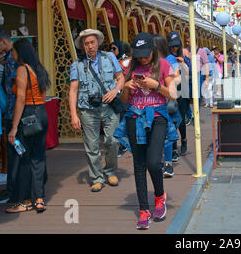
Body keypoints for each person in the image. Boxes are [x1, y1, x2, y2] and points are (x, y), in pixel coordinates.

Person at [113, 32, 177, 230]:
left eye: (146, 54)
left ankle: (159, 197)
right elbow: (124, 100)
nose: (143, 58)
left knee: (153, 162)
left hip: (157, 118)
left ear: (153, 50)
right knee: (139, 165)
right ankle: (143, 209)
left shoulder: (164, 65)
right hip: (134, 117)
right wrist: (127, 87)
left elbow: (173, 94)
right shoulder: (130, 66)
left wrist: (156, 85)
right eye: (139, 55)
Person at [69, 29, 125, 193]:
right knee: (91, 146)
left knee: (112, 141)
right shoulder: (77, 65)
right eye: (86, 44)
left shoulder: (109, 57)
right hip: (88, 110)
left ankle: (110, 170)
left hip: (109, 107)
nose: (90, 46)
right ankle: (97, 177)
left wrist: (115, 91)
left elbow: (120, 78)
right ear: (82, 46)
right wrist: (74, 114)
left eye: (92, 42)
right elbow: (73, 90)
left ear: (98, 43)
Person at [5, 39, 50, 214]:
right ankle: (39, 198)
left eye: (14, 52)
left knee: (23, 157)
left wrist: (14, 127)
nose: (13, 55)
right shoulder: (38, 68)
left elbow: (21, 99)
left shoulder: (22, 70)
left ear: (20, 52)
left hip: (28, 115)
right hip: (41, 113)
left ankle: (25, 201)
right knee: (38, 157)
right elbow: (43, 96)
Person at [153, 33, 181, 177]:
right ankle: (157, 163)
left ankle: (168, 164)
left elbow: (178, 78)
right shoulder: (148, 61)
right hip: (150, 103)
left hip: (165, 101)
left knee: (166, 133)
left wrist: (165, 84)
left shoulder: (169, 59)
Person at [0, 28, 19, 204]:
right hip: (11, 111)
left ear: (2, 42)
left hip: (13, 112)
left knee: (14, 151)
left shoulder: (14, 59)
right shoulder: (9, 59)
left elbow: (13, 89)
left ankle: (14, 190)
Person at [167, 32, 189, 157]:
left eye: (176, 46)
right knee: (172, 119)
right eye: (172, 46)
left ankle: (184, 140)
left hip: (183, 89)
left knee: (181, 119)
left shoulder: (184, 55)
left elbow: (191, 72)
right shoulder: (167, 57)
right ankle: (174, 148)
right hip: (172, 89)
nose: (174, 48)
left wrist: (184, 63)